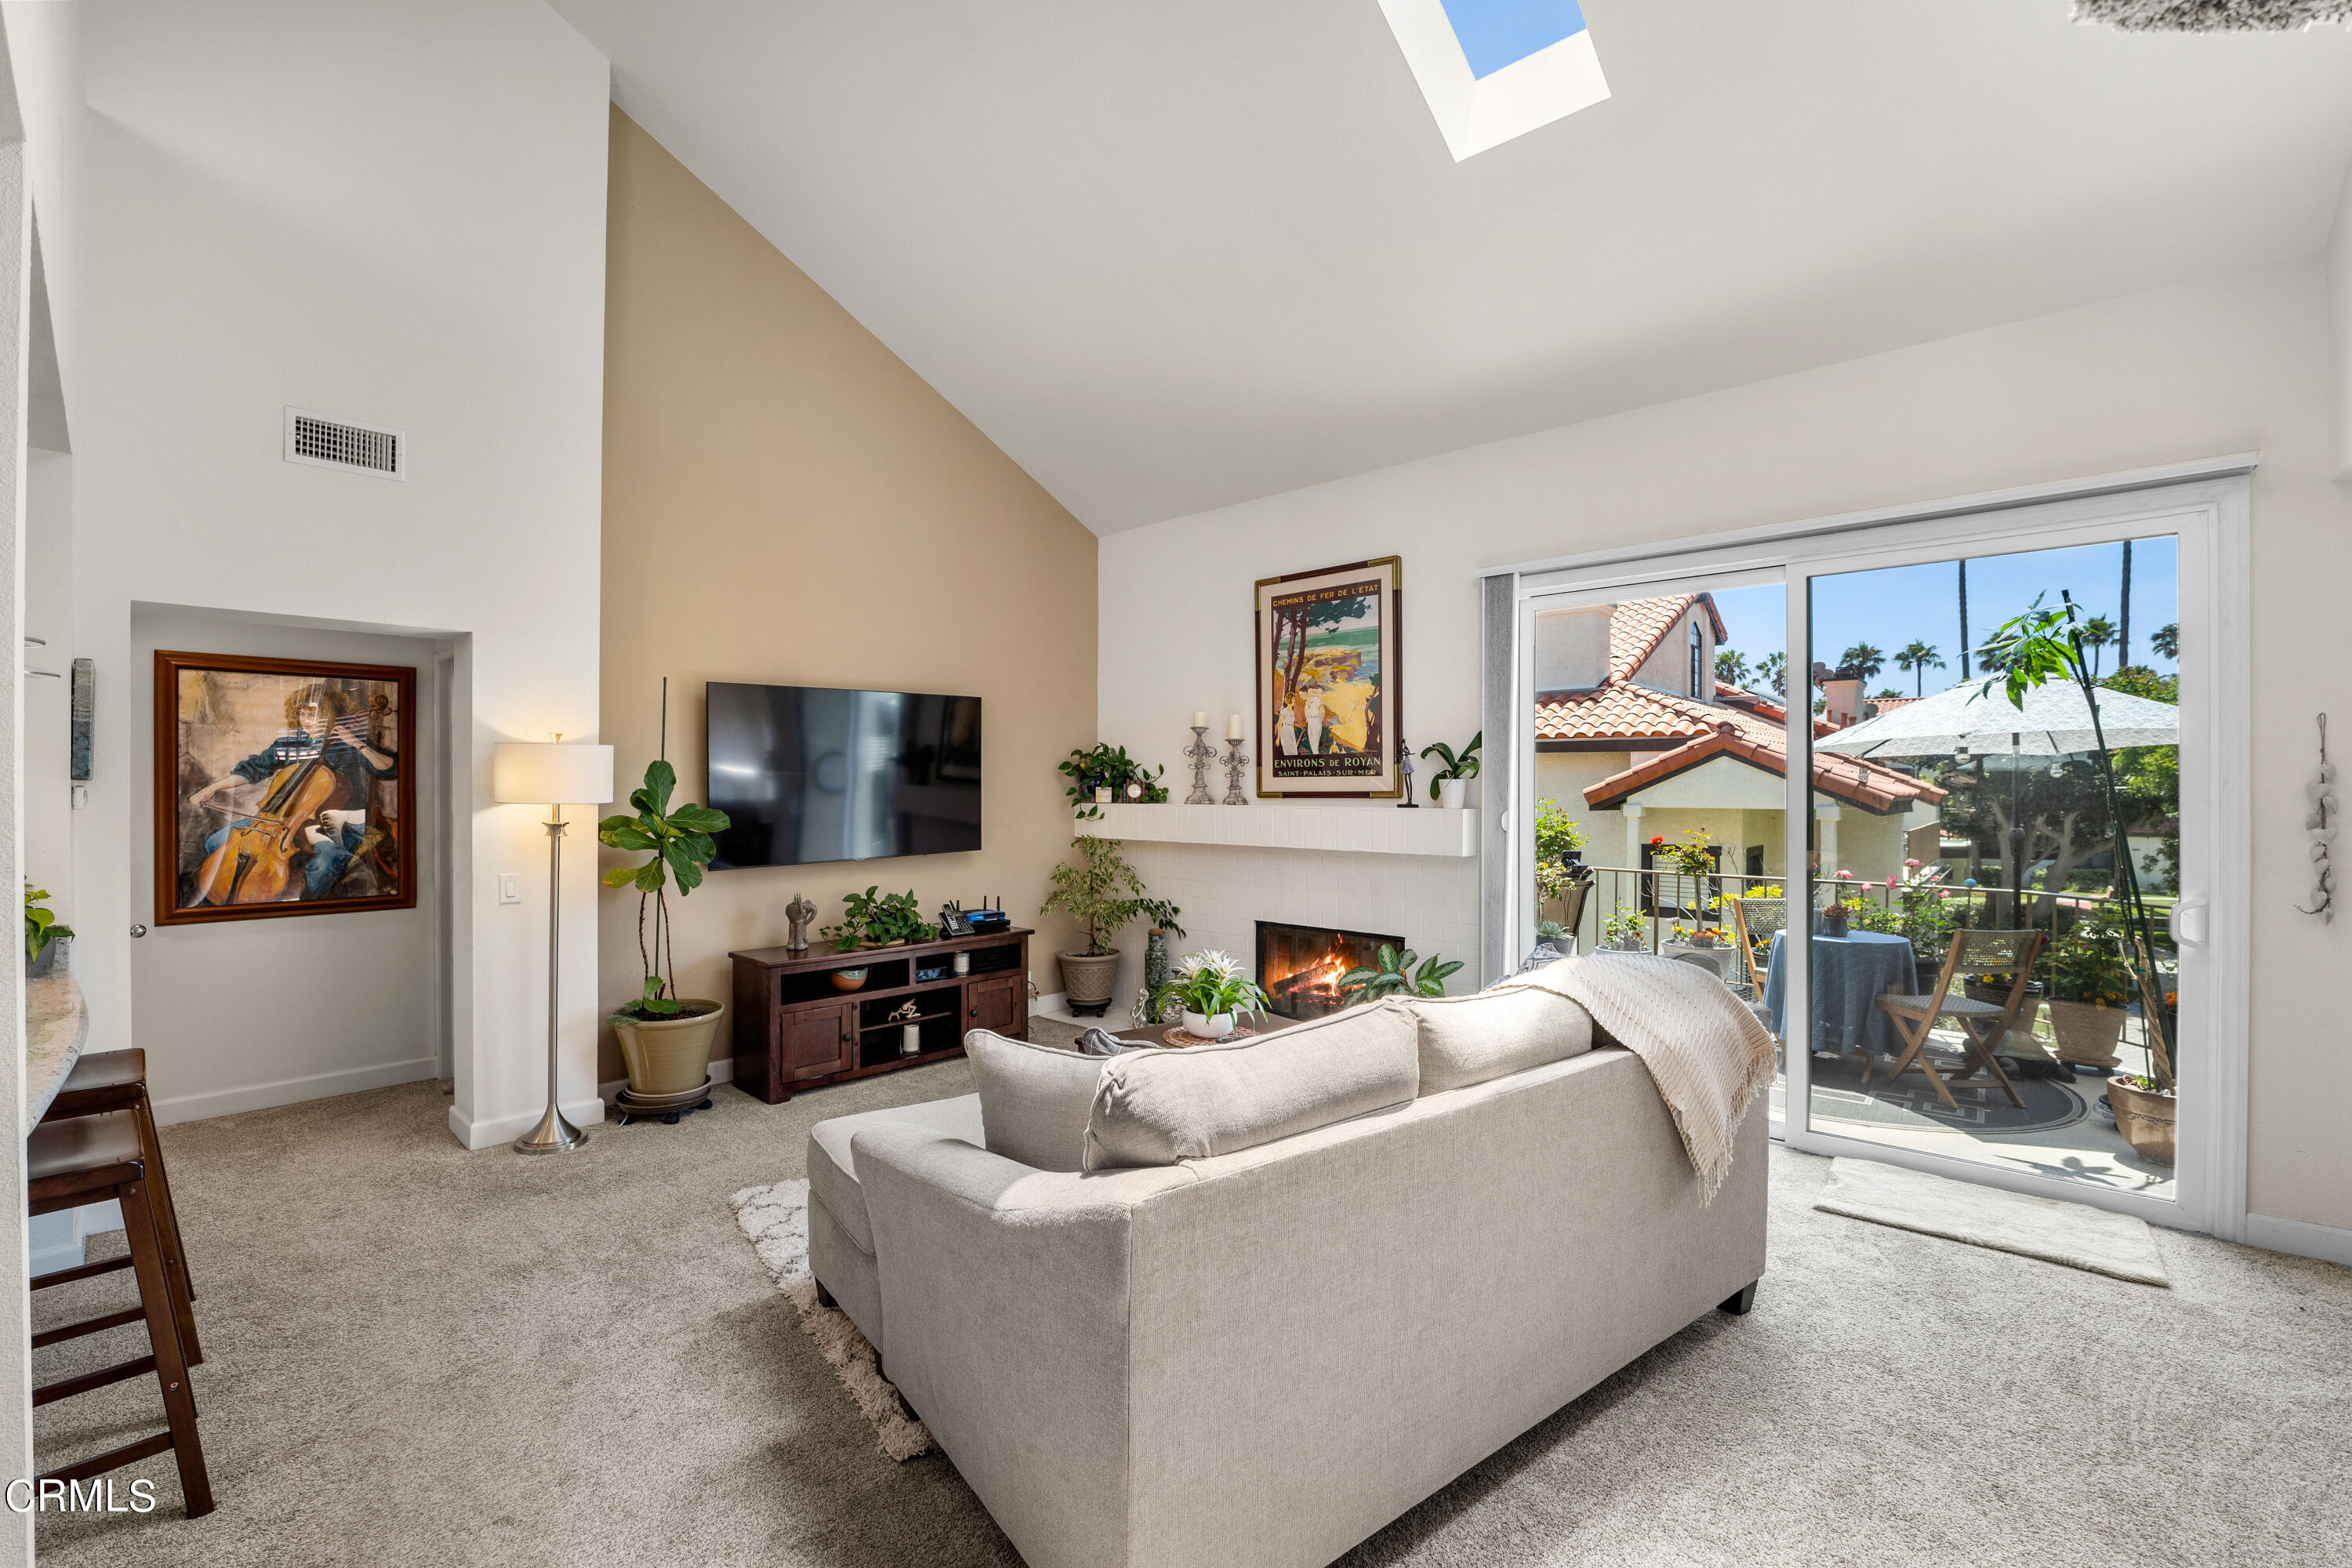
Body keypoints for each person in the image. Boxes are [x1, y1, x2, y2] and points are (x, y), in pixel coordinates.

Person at [188, 683, 397, 902]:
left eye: (313, 713)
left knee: (324, 864)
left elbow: (390, 769)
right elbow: (254, 767)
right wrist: (211, 788)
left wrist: (357, 744)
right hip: (281, 822)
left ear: (330, 713)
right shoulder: (291, 742)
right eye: (302, 713)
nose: (305, 719)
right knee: (215, 842)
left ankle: (303, 905)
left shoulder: (349, 744)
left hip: (333, 825)